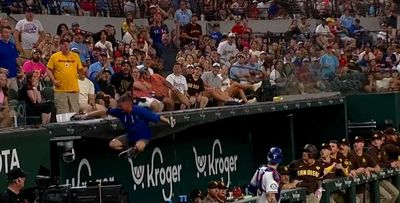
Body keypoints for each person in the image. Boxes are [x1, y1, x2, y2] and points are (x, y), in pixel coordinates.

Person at [80, 94, 175, 158]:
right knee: (112, 144)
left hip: (143, 137)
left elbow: (156, 117)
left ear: (128, 104)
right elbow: (104, 111)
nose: (120, 107)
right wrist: (88, 115)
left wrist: (168, 121)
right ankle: (129, 150)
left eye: (122, 105)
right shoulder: (120, 111)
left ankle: (134, 151)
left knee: (139, 147)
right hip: (130, 136)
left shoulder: (139, 111)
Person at [47, 38, 83, 114]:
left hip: (73, 89)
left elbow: (80, 69)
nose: (66, 46)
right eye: (64, 44)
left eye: (68, 44)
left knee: (75, 112)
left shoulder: (75, 56)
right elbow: (48, 69)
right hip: (60, 90)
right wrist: (53, 80)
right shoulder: (54, 56)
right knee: (62, 113)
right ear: (60, 46)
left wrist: (81, 74)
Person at [367, 131, 399, 203]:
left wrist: (393, 163)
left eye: (378, 140)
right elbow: (376, 164)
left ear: (381, 141)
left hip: (380, 178)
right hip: (372, 179)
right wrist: (390, 165)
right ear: (371, 142)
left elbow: (384, 161)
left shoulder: (381, 149)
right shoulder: (371, 150)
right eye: (374, 140)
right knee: (387, 197)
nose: (376, 142)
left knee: (396, 193)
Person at [350, 136, 381, 203]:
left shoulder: (366, 156)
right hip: (351, 186)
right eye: (355, 142)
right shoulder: (350, 154)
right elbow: (350, 170)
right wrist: (362, 170)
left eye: (358, 142)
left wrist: (370, 169)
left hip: (362, 186)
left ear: (362, 144)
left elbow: (378, 169)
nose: (355, 144)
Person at [0, 26, 21, 92]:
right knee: (4, 98)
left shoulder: (12, 45)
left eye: (9, 33)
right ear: (1, 33)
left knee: (15, 96)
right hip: (3, 78)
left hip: (13, 76)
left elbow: (16, 58)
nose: (8, 34)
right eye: (6, 32)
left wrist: (21, 67)